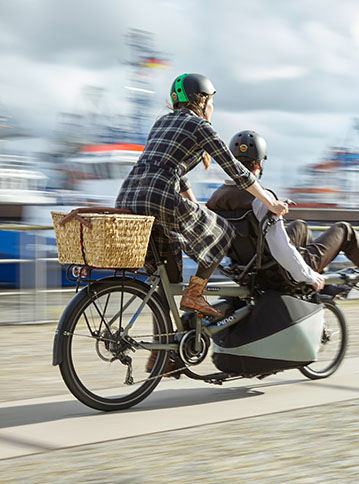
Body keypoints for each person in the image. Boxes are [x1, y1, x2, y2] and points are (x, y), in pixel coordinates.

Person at [116, 74, 288, 318]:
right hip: (159, 197)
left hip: (129, 196)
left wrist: (196, 208)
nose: (213, 107)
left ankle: (164, 342)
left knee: (168, 279)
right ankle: (195, 294)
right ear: (202, 100)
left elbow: (176, 171)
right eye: (212, 101)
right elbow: (235, 169)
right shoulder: (199, 126)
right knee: (224, 233)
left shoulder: (162, 123)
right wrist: (271, 202)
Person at [206, 130, 359, 290]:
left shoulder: (215, 199)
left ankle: (320, 275)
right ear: (259, 164)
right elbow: (280, 247)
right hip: (278, 271)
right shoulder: (261, 199)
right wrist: (308, 276)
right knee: (344, 230)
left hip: (246, 270)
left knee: (300, 226)